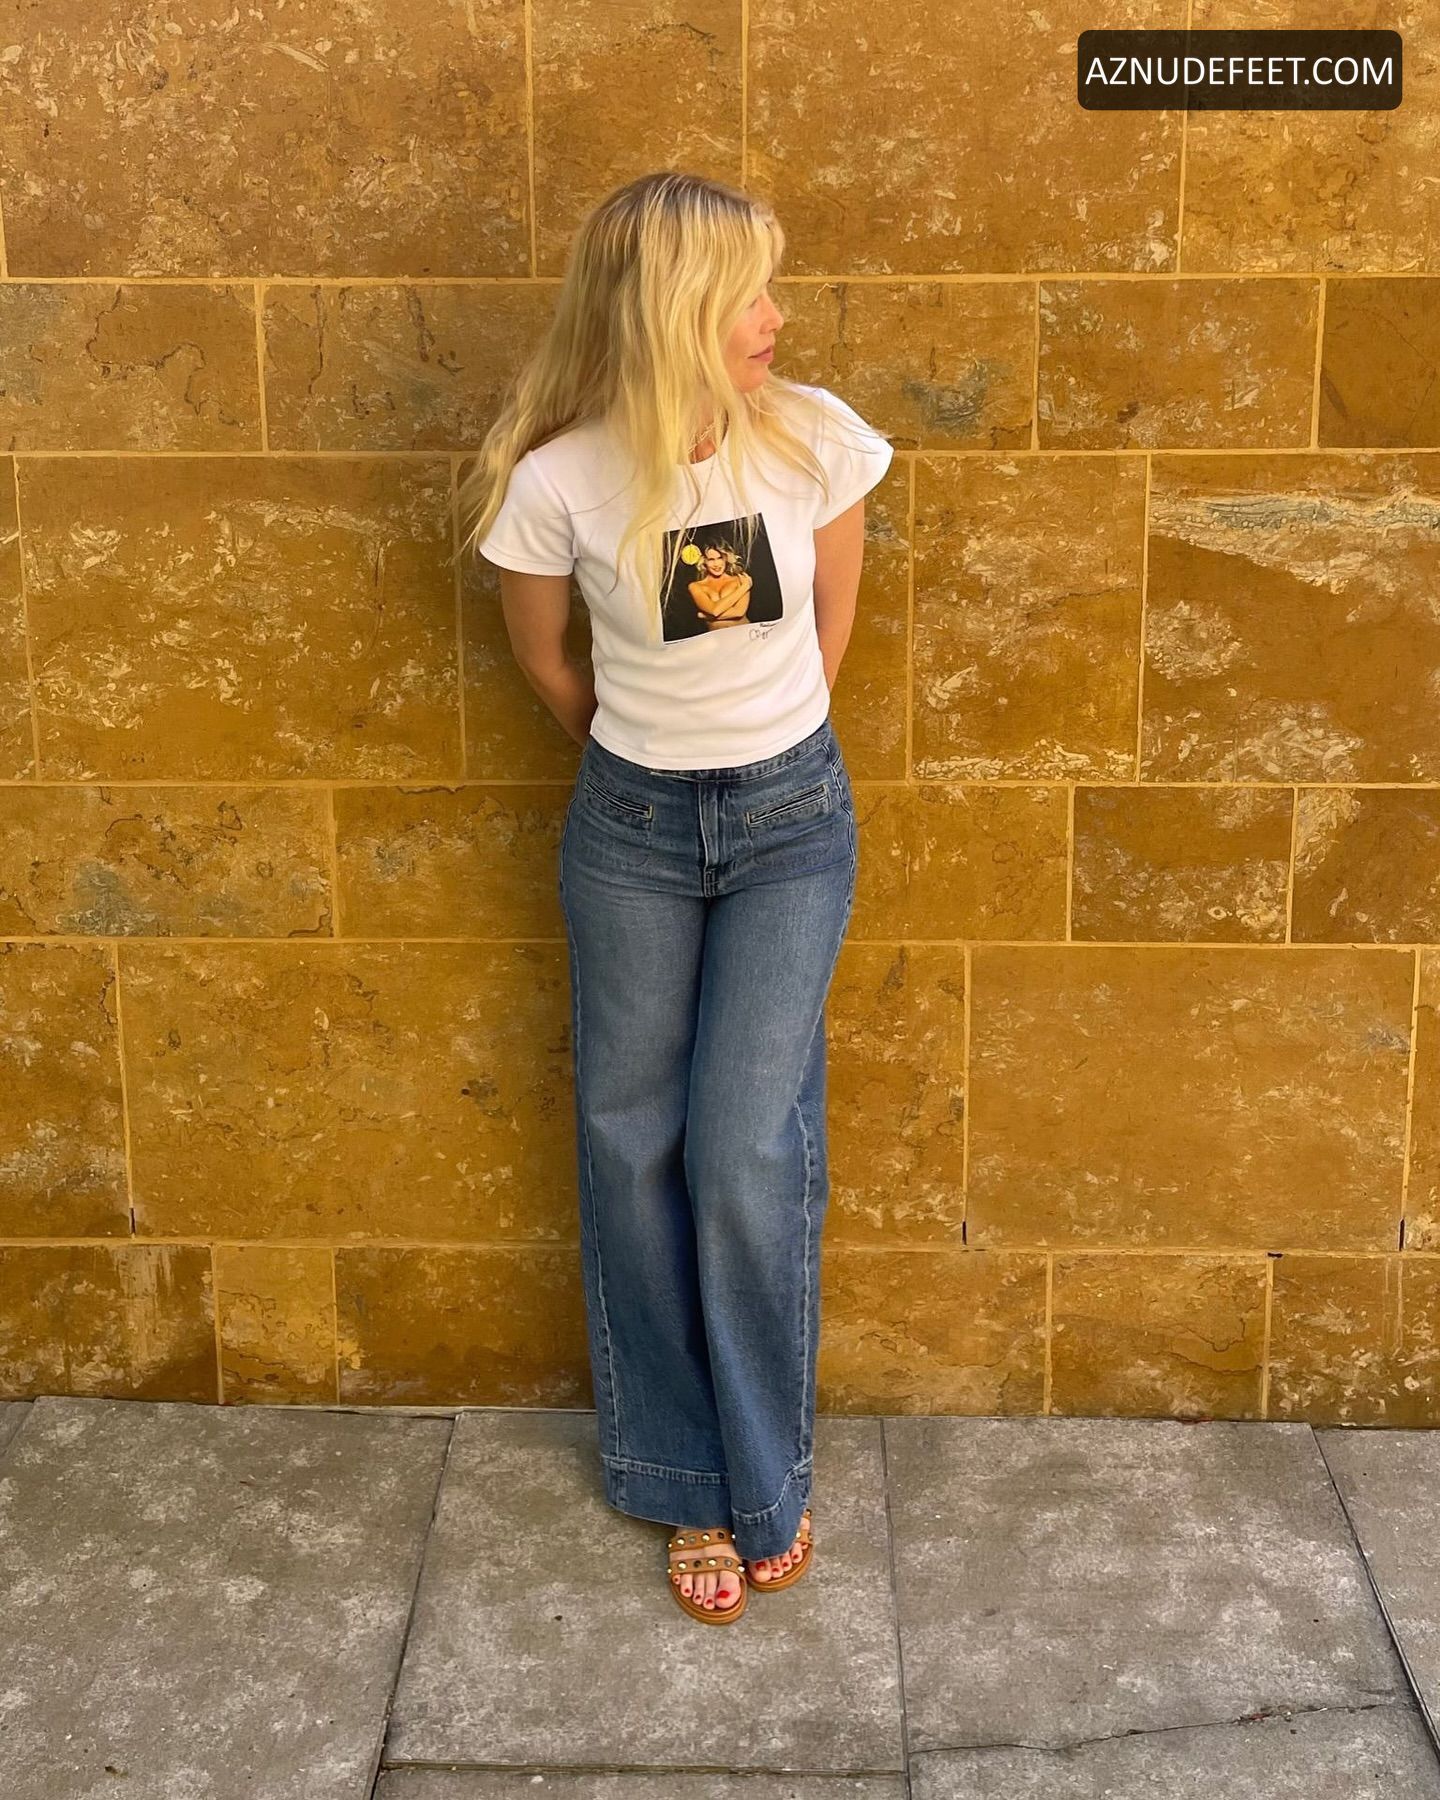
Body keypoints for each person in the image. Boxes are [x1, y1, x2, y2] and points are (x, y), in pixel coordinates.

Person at [459, 170, 893, 1625]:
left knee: (744, 1148)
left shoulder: (815, 440)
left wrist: (766, 754)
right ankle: (680, 1475)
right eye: (746, 295)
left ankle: (768, 1473)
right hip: (631, 834)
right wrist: (650, 761)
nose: (775, 317)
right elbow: (547, 662)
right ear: (668, 313)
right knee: (628, 1138)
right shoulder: (558, 483)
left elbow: (833, 620)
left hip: (790, 826)